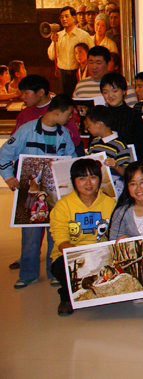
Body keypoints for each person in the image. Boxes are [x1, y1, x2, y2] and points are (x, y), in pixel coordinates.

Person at [0, 94, 77, 289]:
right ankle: (27, 273)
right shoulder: (26, 130)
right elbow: (4, 154)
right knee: (30, 235)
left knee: (56, 233)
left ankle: (55, 272)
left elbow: (71, 159)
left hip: (56, 193)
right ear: (58, 112)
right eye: (69, 114)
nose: (70, 118)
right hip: (30, 192)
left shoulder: (64, 134)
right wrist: (8, 176)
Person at [48, 159, 117, 316]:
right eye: (82, 178)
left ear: (100, 179)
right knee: (61, 267)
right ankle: (66, 297)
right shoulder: (63, 205)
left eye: (93, 177)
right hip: (71, 255)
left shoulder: (110, 203)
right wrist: (83, 257)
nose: (88, 183)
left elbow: (114, 234)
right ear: (73, 181)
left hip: (101, 254)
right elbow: (61, 240)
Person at [13, 75, 82, 152]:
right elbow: (14, 139)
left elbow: (74, 139)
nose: (22, 97)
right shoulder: (24, 113)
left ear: (40, 92)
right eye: (21, 93)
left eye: (26, 93)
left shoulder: (62, 110)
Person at [100, 73, 143, 162]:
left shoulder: (134, 115)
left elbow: (141, 148)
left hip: (128, 164)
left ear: (124, 91)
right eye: (105, 92)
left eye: (114, 91)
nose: (110, 95)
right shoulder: (99, 116)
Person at [46, 6, 93, 96]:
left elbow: (92, 54)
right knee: (65, 99)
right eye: (62, 17)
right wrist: (54, 42)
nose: (64, 19)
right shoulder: (58, 36)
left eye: (66, 16)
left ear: (74, 17)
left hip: (78, 73)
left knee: (79, 97)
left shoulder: (83, 35)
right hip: (62, 74)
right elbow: (51, 56)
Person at [73, 46, 138, 105]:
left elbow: (132, 111)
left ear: (108, 63)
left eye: (98, 63)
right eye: (91, 62)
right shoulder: (80, 85)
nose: (94, 67)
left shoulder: (121, 84)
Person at [85, 105, 132, 183]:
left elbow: (127, 173)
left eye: (89, 125)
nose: (88, 128)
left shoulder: (119, 145)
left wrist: (116, 166)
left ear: (99, 125)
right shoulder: (95, 142)